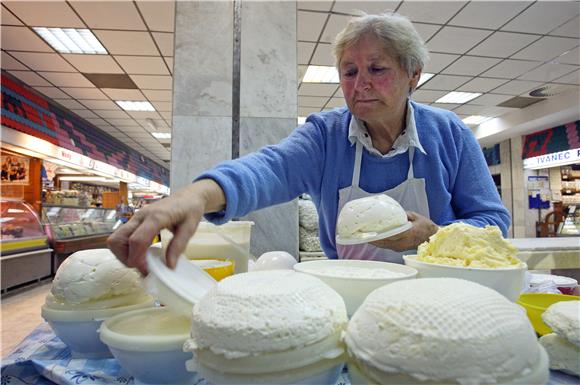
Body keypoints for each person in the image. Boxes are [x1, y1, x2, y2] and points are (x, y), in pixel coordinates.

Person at [109, 12, 510, 275]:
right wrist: (196, 195)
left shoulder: (450, 134)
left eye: (377, 68)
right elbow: (271, 168)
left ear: (413, 75)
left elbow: (494, 224)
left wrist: (434, 234)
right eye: (349, 71)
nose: (360, 83)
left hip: (439, 287)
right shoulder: (326, 135)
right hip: (347, 287)